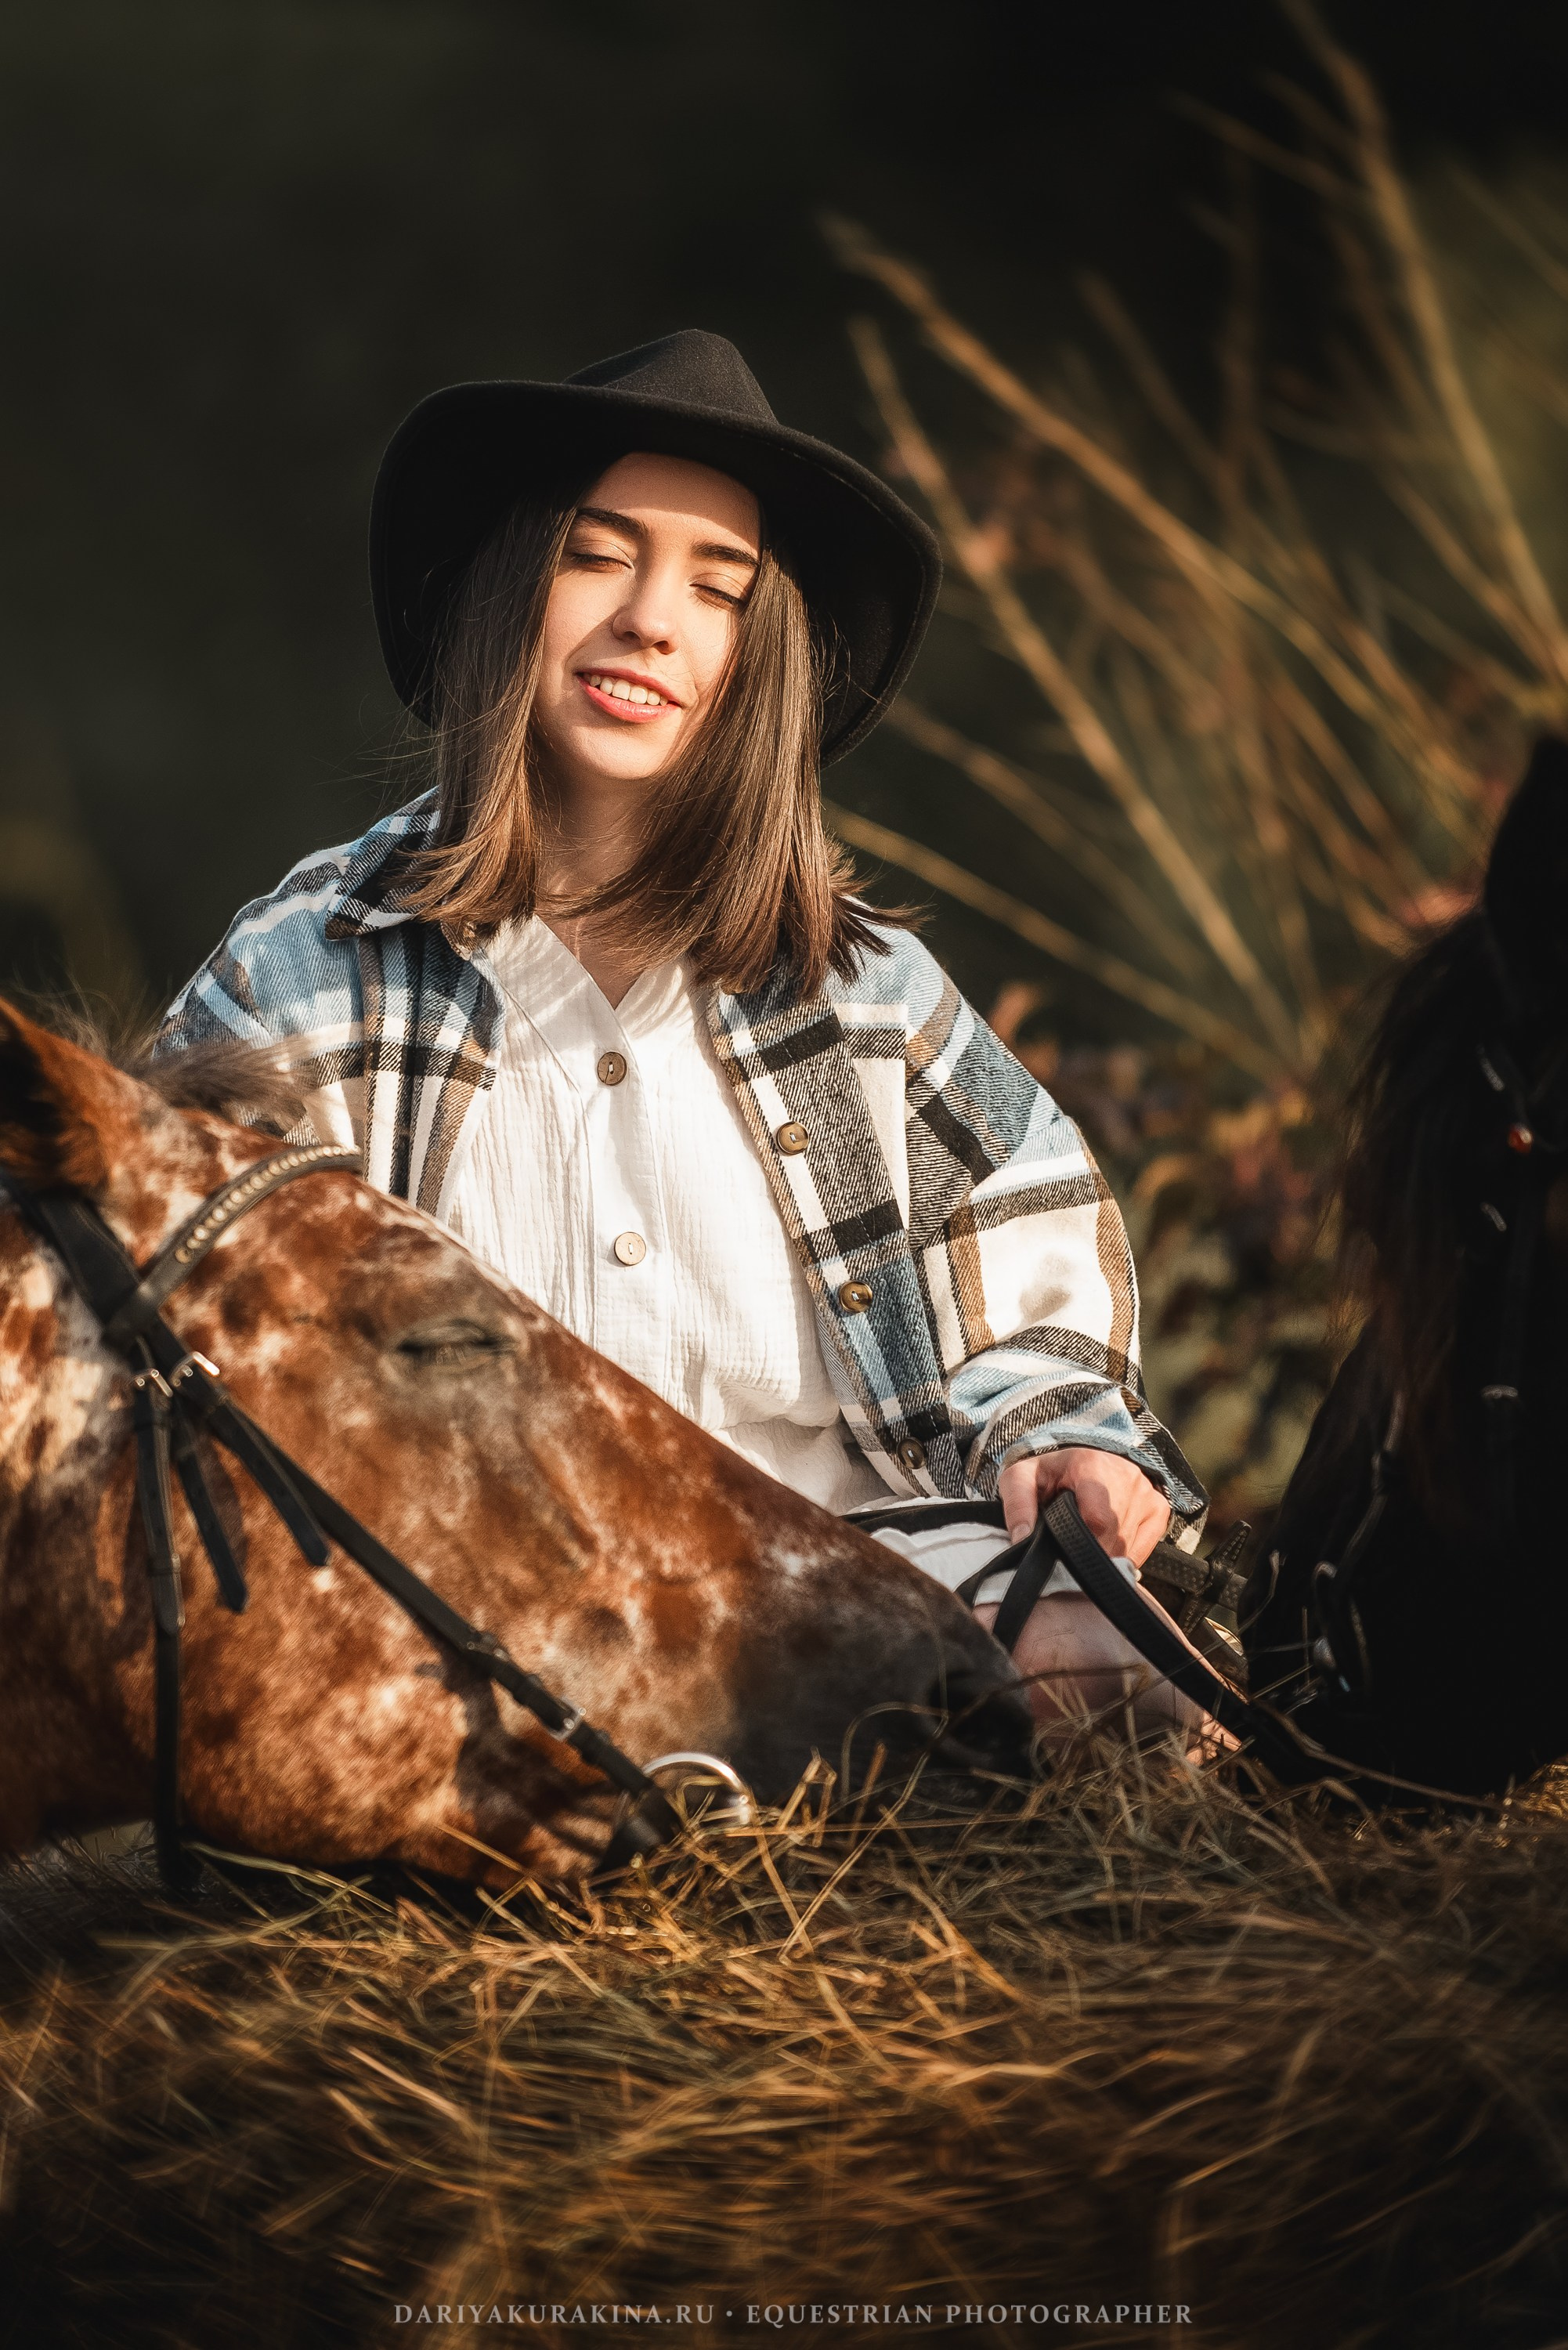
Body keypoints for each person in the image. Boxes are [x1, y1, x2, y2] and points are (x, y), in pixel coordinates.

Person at [157, 330, 1206, 1734]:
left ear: (748, 659)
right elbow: (170, 1322)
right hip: (455, 1626)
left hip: (841, 1593)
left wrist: (1063, 1439)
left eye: (718, 590)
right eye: (598, 557)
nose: (653, 621)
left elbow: (1031, 1272)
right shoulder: (311, 972)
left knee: (1105, 1660)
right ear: (503, 587)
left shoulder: (862, 994)